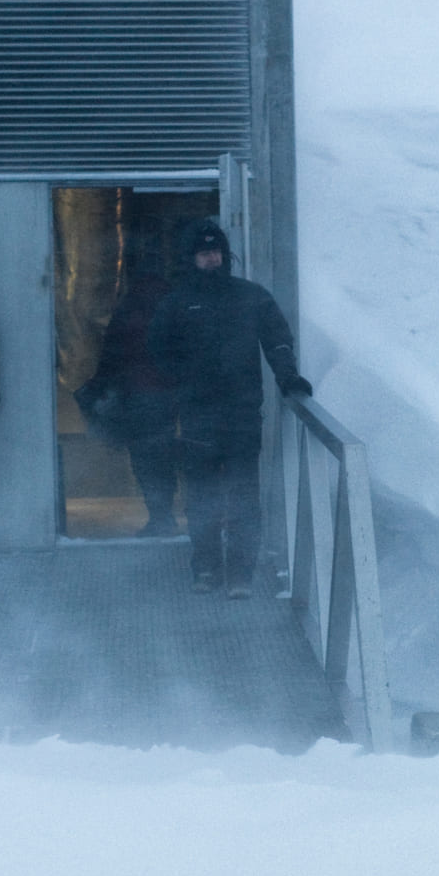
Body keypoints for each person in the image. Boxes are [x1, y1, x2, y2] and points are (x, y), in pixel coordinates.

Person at [147, 217, 312, 597]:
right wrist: (183, 381)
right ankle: (205, 568)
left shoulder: (250, 296)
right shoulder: (177, 302)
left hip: (242, 417)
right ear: (191, 258)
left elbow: (277, 341)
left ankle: (240, 573)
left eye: (216, 251)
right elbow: (157, 349)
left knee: (243, 496)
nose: (212, 259)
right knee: (202, 496)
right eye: (204, 253)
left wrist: (288, 378)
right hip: (197, 418)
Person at [76, 252, 180, 536]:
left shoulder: (130, 306)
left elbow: (114, 353)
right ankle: (167, 515)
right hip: (167, 394)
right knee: (164, 456)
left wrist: (98, 386)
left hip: (137, 393)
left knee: (145, 459)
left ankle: (159, 516)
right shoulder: (173, 301)